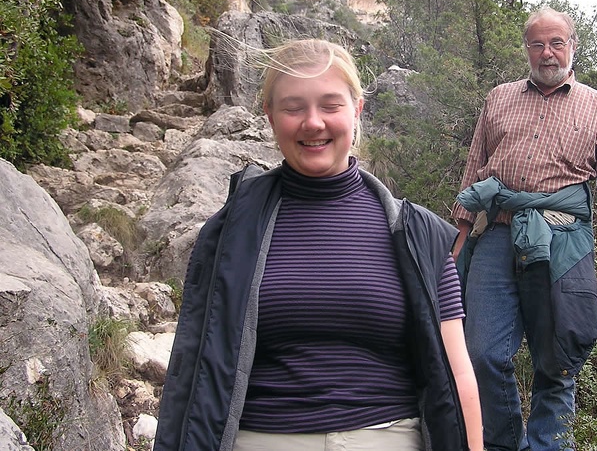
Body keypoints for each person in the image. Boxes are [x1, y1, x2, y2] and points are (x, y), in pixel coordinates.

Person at [153, 38, 484, 451]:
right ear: (270, 116)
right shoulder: (229, 234)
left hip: (389, 436)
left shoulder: (419, 235)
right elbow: (194, 372)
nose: (313, 123)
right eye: (294, 108)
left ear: (357, 109)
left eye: (330, 105)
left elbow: (458, 375)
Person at [451, 7, 597, 451]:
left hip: (564, 241)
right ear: (527, 49)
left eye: (556, 43)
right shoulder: (499, 98)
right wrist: (456, 240)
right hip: (498, 233)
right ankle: (503, 443)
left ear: (573, 46)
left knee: (558, 359)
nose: (547, 53)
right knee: (482, 352)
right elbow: (475, 169)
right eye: (537, 44)